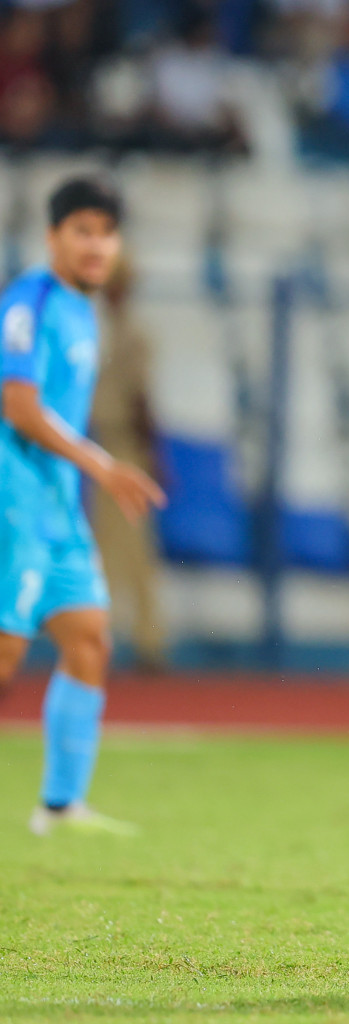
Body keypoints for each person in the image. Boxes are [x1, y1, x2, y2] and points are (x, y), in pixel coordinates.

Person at [0, 177, 166, 837]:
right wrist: (102, 462)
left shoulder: (83, 311)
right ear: (53, 237)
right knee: (6, 653)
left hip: (57, 508)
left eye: (106, 232)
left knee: (90, 639)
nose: (97, 246)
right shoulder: (29, 302)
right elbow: (19, 408)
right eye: (83, 231)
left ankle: (61, 805)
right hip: (13, 500)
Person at [91, 254, 166, 670]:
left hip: (125, 448)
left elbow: (140, 401)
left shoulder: (130, 335)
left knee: (131, 548)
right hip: (107, 444)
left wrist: (151, 454)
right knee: (114, 547)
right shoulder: (109, 332)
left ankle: (146, 639)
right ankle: (123, 636)